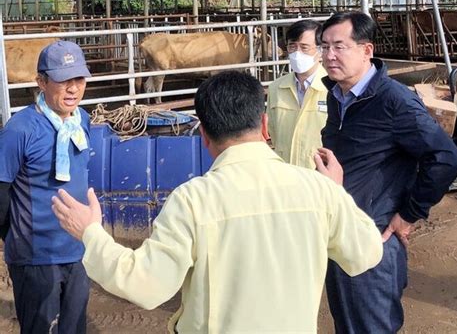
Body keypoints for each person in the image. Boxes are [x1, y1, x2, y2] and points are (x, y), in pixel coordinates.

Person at [52, 71, 383, 334]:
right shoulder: (318, 190)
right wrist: (337, 192)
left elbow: (146, 285)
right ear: (265, 125)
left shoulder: (193, 200)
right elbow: (365, 253)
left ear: (203, 136)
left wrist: (90, 233)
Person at [319, 11, 457, 334]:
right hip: (341, 231)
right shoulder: (337, 95)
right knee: (348, 323)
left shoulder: (394, 102)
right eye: (324, 46)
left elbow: (445, 158)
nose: (329, 55)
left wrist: (409, 213)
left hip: (374, 237)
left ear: (367, 50)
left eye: (339, 46)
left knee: (371, 326)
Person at [0, 40, 92, 334]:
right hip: (36, 256)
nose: (73, 88)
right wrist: (16, 238)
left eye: (79, 79)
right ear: (41, 82)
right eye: (63, 80)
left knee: (74, 329)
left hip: (77, 250)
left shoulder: (83, 122)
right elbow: (1, 191)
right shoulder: (20, 129)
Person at [266, 19, 327, 169]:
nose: (297, 53)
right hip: (286, 174)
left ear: (320, 51)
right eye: (292, 47)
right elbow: (272, 132)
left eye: (304, 47)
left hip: (320, 176)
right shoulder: (276, 88)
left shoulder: (333, 89)